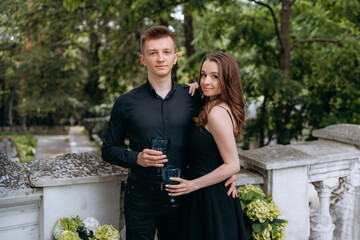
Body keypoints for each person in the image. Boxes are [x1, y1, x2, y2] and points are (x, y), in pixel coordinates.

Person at [101, 26, 237, 240]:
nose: (160, 58)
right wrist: (137, 158)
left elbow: (214, 140)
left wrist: (229, 171)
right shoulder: (125, 102)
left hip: (182, 195)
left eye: (166, 52)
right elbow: (108, 150)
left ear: (175, 58)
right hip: (140, 196)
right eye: (153, 53)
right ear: (143, 59)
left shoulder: (195, 98)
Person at [167, 51, 248, 240]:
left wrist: (192, 185)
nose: (206, 81)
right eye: (203, 75)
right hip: (209, 192)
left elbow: (233, 164)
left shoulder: (217, 113)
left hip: (210, 198)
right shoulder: (214, 105)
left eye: (215, 77)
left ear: (227, 80)